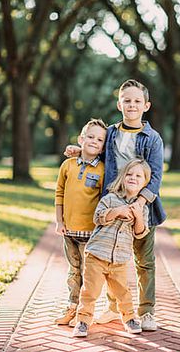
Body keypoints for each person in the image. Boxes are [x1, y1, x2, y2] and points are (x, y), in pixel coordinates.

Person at [65, 79, 166, 331]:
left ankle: (147, 311)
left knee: (144, 261)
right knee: (110, 258)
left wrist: (140, 205)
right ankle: (113, 308)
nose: (132, 105)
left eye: (137, 101)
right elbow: (97, 150)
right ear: (119, 103)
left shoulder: (153, 139)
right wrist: (80, 151)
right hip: (112, 202)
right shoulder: (110, 132)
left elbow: (155, 176)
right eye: (127, 100)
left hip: (142, 208)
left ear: (146, 105)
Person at [73, 158, 151, 337]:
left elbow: (140, 233)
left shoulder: (142, 208)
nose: (133, 178)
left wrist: (138, 216)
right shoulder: (110, 198)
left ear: (145, 182)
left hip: (120, 259)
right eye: (129, 174)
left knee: (123, 292)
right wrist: (118, 211)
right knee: (90, 291)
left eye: (138, 176)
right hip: (97, 255)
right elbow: (98, 218)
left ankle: (130, 318)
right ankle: (83, 321)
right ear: (123, 177)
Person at [55, 119, 107, 327]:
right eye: (90, 136)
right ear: (81, 139)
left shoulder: (103, 170)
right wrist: (59, 221)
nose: (94, 141)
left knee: (89, 274)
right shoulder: (67, 165)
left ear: (103, 147)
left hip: (91, 233)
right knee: (73, 271)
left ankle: (85, 313)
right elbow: (59, 193)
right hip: (69, 230)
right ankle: (72, 307)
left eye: (100, 139)